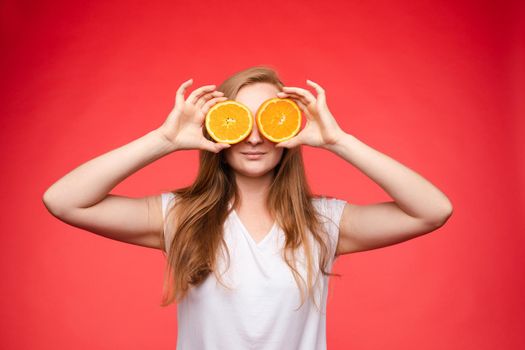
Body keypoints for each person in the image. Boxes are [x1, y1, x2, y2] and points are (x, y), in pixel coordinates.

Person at [42, 66, 453, 349]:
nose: (254, 137)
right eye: (239, 120)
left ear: (290, 128)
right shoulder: (181, 217)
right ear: (217, 126)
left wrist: (338, 140)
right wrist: (164, 140)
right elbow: (63, 200)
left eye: (270, 120)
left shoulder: (323, 223)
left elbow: (432, 210)